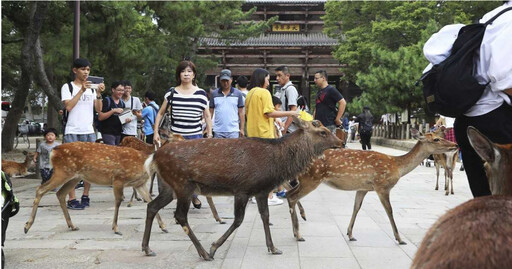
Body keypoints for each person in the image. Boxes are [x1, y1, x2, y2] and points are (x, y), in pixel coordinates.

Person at [423, 2, 512, 197]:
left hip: (468, 120)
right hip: (494, 120)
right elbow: (504, 78)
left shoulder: (493, 17)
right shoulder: (509, 21)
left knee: (485, 201)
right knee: (502, 202)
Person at [153, 60, 213, 208]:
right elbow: (160, 113)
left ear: (194, 75)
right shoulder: (171, 92)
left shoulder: (201, 94)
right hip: (176, 137)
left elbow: (207, 115)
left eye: (189, 71)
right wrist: (155, 132)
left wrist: (209, 134)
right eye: (183, 71)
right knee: (177, 168)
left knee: (195, 169)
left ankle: (194, 195)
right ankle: (180, 194)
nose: (186, 74)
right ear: (179, 74)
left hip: (195, 137)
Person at [245, 68, 299, 205]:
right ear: (262, 78)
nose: (269, 82)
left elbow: (258, 113)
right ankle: (268, 197)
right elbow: (269, 112)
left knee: (255, 168)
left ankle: (254, 195)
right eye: (268, 79)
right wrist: (291, 113)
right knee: (269, 169)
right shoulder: (264, 93)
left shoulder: (250, 93)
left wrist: (276, 119)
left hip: (252, 134)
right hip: (265, 135)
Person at [61, 58, 105, 210]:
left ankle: (85, 195)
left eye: (88, 69)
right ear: (75, 70)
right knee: (71, 167)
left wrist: (98, 93)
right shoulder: (68, 87)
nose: (86, 72)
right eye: (83, 69)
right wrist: (81, 90)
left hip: (88, 130)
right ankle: (72, 198)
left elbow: (98, 110)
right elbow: (69, 107)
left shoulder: (92, 88)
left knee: (89, 166)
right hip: (72, 130)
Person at [209, 69, 245, 138]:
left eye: (227, 81)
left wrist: (242, 129)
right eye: (223, 81)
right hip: (218, 130)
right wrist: (209, 128)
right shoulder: (214, 94)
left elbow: (241, 113)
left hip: (233, 130)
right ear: (220, 80)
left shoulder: (238, 94)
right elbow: (210, 113)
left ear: (231, 80)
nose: (225, 83)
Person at [98, 81, 130, 145]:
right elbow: (100, 117)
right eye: (119, 90)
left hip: (118, 133)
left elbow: (122, 119)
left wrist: (127, 120)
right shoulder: (107, 101)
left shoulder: (122, 103)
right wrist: (113, 111)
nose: (121, 92)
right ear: (113, 90)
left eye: (122, 90)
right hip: (108, 132)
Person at [274, 65, 299, 134]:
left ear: (287, 76)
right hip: (283, 126)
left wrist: (285, 127)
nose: (277, 78)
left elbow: (293, 109)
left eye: (279, 75)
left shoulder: (290, 89)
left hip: (289, 129)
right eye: (276, 76)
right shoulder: (282, 89)